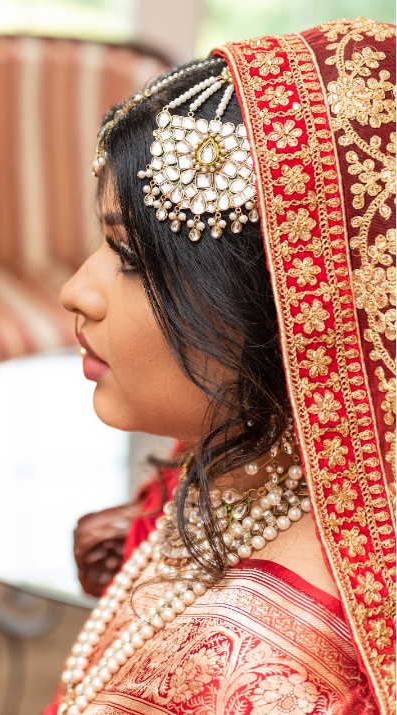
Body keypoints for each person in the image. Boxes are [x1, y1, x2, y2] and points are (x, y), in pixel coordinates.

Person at [46, 18, 395, 715]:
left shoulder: (244, 675)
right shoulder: (299, 458)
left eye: (132, 259)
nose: (76, 291)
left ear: (290, 307)